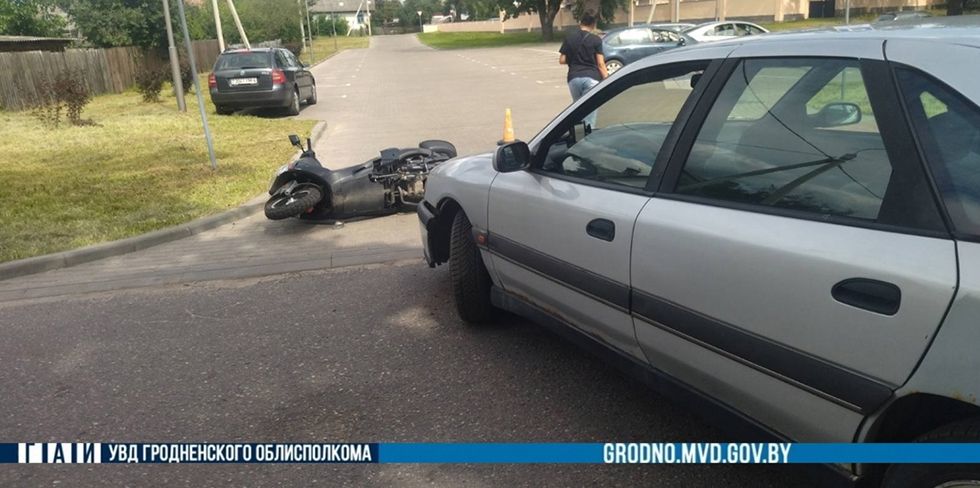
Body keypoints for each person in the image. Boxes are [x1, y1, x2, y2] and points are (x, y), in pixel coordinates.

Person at [558, 10, 608, 128]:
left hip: (573, 79)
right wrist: (607, 79)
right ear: (593, 24)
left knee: (579, 110)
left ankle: (578, 135)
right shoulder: (596, 40)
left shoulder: (570, 38)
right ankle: (587, 138)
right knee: (590, 113)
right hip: (591, 78)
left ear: (581, 22)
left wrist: (574, 59)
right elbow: (600, 64)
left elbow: (562, 60)